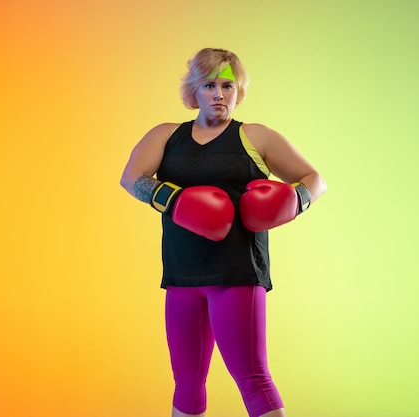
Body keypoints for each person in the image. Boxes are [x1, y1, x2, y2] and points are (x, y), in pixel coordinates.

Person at [120, 48, 326, 417]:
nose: (219, 94)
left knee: (251, 376)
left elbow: (315, 180)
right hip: (182, 274)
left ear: (238, 90)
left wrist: (294, 201)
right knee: (186, 380)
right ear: (193, 91)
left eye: (227, 85)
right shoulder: (167, 135)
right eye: (209, 85)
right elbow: (131, 178)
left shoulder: (254, 136)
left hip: (237, 273)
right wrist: (174, 200)